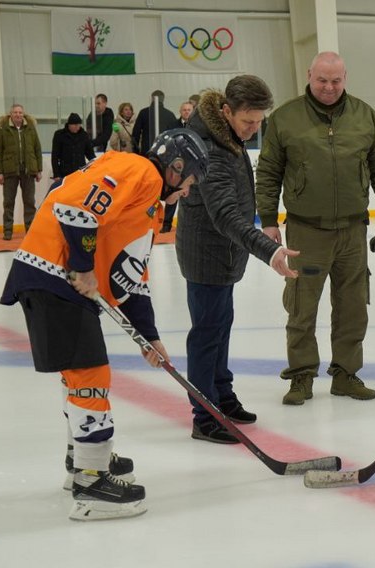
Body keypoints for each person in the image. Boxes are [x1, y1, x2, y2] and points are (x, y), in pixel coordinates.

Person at [0, 128, 209, 521]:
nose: (188, 191)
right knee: (90, 375)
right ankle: (91, 481)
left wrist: (150, 337)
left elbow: (128, 278)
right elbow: (71, 208)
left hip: (56, 281)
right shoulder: (140, 171)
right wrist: (80, 265)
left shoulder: (149, 204)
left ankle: (81, 457)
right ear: (176, 167)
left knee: (78, 374)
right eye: (191, 180)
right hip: (55, 278)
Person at [256, 51, 375, 405]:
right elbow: (268, 171)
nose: (329, 87)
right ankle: (302, 376)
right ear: (309, 75)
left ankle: (346, 375)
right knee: (301, 306)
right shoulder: (285, 118)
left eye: (336, 81)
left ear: (345, 78)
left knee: (353, 306)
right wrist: (269, 221)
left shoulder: (365, 115)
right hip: (306, 230)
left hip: (353, 229)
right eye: (322, 79)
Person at [177, 76, 300, 444]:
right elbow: (226, 214)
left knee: (220, 326)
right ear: (226, 111)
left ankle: (222, 396)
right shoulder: (210, 149)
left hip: (224, 255)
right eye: (249, 121)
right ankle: (205, 414)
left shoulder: (226, 135)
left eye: (259, 121)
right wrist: (269, 250)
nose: (254, 128)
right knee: (206, 333)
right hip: (206, 254)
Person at [132, 90, 180, 232]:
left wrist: (138, 153)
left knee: (148, 188)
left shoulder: (144, 113)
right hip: (168, 159)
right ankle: (166, 223)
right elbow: (176, 137)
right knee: (171, 188)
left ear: (151, 99)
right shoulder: (170, 115)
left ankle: (146, 220)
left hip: (148, 157)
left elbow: (135, 135)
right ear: (163, 100)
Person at [0, 103, 42, 240]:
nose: (18, 115)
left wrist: (38, 170)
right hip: (10, 172)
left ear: (23, 114)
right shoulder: (3, 130)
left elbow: (37, 149)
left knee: (29, 202)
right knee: (8, 203)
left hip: (28, 171)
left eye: (20, 112)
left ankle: (30, 231)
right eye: (15, 112)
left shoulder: (31, 129)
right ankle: (8, 231)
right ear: (11, 114)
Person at [131, 90, 178, 156]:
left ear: (152, 98)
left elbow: (136, 133)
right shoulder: (169, 114)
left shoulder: (144, 112)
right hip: (164, 149)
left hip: (147, 149)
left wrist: (136, 150)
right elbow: (175, 134)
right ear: (163, 99)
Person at [50, 113, 95, 183]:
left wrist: (95, 168)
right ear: (69, 125)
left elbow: (90, 155)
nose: (77, 127)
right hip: (65, 173)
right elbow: (55, 156)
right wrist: (56, 174)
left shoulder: (84, 135)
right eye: (75, 125)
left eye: (79, 125)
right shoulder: (59, 135)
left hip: (80, 172)